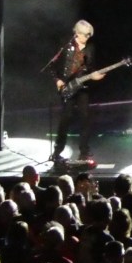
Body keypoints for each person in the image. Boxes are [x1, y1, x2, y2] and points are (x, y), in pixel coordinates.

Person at [49, 20, 103, 164]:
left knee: (85, 118)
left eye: (89, 35)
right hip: (67, 87)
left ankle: (84, 152)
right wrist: (57, 80)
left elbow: (91, 69)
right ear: (77, 33)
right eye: (86, 34)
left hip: (82, 88)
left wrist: (94, 76)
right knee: (65, 119)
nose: (88, 37)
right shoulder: (66, 46)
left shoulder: (90, 48)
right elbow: (53, 66)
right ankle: (57, 152)